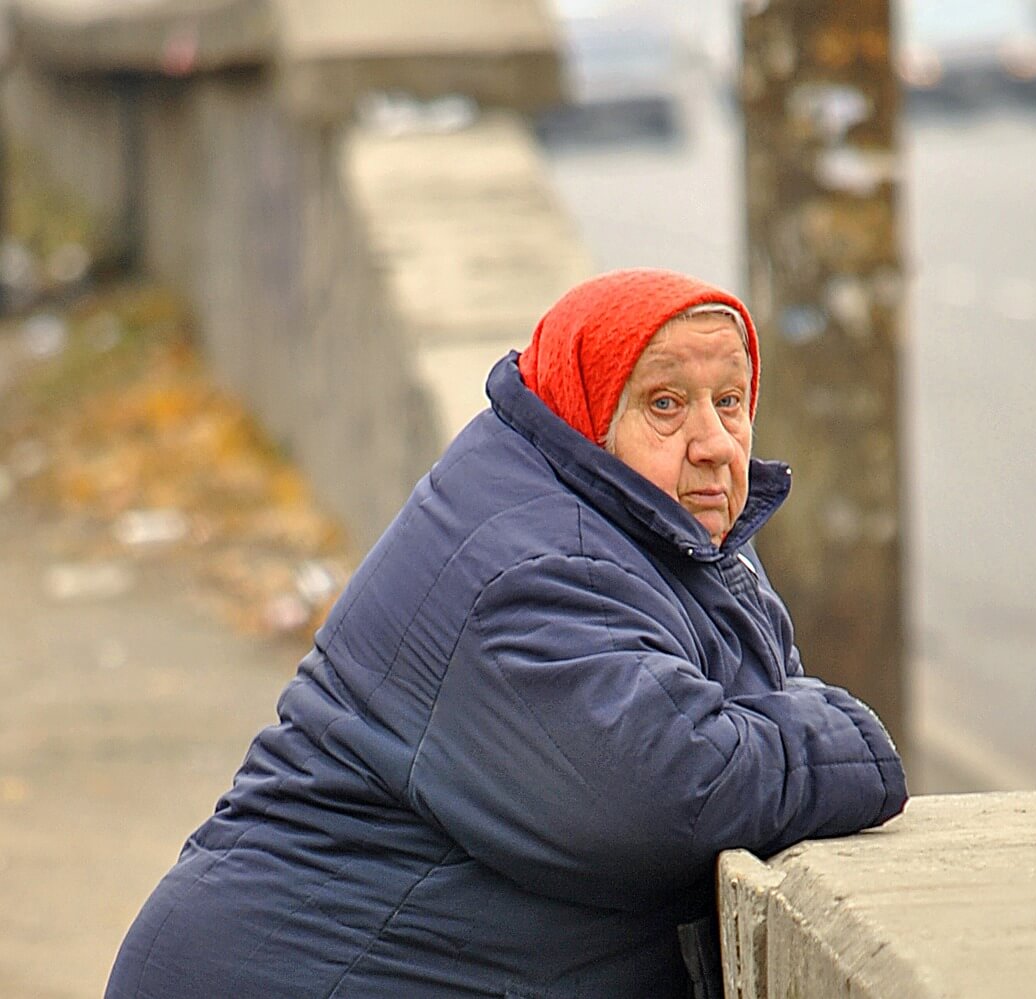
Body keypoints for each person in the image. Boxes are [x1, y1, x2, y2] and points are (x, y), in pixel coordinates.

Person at [106, 268, 907, 998]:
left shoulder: (665, 531)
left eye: (729, 402)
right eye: (665, 403)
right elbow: (665, 793)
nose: (712, 442)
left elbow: (743, 720)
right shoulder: (531, 570)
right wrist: (856, 744)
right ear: (589, 414)